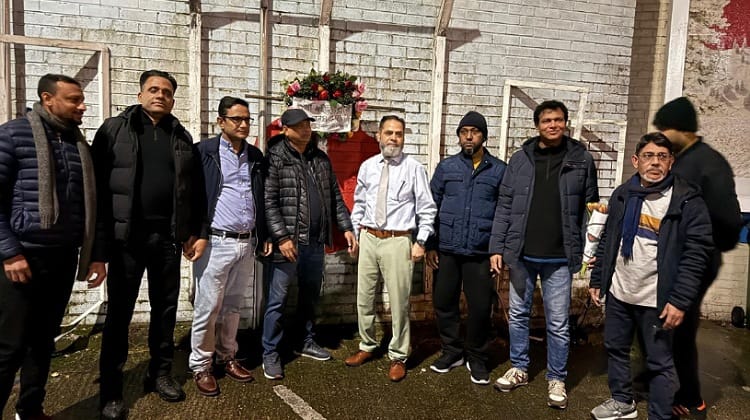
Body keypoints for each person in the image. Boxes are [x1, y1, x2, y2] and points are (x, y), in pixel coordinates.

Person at [92, 70, 206, 419]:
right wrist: (97, 251)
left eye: (167, 92)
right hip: (126, 241)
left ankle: (160, 373)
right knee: (119, 315)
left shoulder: (181, 136)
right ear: (140, 94)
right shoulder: (114, 130)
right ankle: (111, 390)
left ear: (173, 99)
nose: (160, 95)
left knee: (165, 312)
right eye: (153, 89)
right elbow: (96, 192)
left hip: (167, 240)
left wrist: (196, 232)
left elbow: (195, 191)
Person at [0, 74, 104, 420]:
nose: (82, 106)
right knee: (9, 346)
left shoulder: (78, 143)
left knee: (43, 341)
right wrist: (10, 253)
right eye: (74, 99)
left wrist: (94, 255)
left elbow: (91, 206)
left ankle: (30, 410)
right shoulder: (13, 135)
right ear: (48, 99)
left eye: (81, 99)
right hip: (22, 258)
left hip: (62, 257)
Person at [589, 133, 713, 420]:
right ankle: (622, 401)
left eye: (662, 156)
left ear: (671, 162)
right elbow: (609, 239)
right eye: (648, 156)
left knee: (659, 363)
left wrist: (679, 301)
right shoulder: (624, 194)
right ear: (636, 160)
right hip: (620, 292)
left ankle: (659, 415)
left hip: (656, 299)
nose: (655, 162)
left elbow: (697, 255)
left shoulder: (686, 201)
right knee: (616, 348)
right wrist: (598, 279)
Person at [489, 100, 598, 408]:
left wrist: (591, 249)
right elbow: (505, 205)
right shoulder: (520, 159)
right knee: (518, 315)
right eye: (547, 120)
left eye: (558, 120)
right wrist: (497, 247)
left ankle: (557, 377)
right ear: (537, 125)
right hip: (522, 254)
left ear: (566, 123)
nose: (553, 125)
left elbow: (592, 209)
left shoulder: (581, 159)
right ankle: (519, 368)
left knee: (558, 322)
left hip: (560, 257)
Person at [652, 97, 743, 418]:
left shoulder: (708, 164)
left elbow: (729, 220)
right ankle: (662, 380)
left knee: (680, 326)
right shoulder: (683, 159)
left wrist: (705, 247)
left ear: (683, 129)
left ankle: (691, 398)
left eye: (665, 128)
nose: (661, 134)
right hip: (676, 257)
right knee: (666, 321)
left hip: (696, 259)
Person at [262, 108, 358, 380]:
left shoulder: (320, 159)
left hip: (315, 243)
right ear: (285, 130)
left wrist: (346, 227)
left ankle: (305, 341)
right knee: (277, 300)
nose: (306, 129)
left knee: (310, 296)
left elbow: (335, 197)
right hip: (288, 244)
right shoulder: (275, 157)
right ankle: (270, 352)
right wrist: (281, 237)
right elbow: (268, 201)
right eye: (299, 125)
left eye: (307, 124)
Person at [189, 97, 272, 397]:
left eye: (247, 119)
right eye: (237, 119)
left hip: (246, 242)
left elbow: (260, 197)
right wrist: (195, 233)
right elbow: (191, 196)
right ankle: (201, 365)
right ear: (221, 122)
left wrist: (263, 234)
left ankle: (227, 356)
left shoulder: (255, 155)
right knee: (208, 307)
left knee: (234, 306)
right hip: (216, 242)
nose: (243, 124)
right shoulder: (204, 152)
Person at [345, 115, 437, 382]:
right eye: (389, 133)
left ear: (403, 137)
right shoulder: (368, 167)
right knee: (364, 297)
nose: (393, 138)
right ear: (379, 135)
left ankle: (398, 355)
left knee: (398, 301)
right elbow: (359, 203)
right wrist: (356, 234)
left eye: (398, 134)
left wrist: (421, 241)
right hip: (369, 237)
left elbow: (427, 208)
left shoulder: (414, 168)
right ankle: (367, 345)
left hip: (398, 240)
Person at [425, 111, 506, 385]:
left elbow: (503, 212)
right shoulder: (447, 168)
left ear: (484, 136)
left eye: (475, 131)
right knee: (444, 302)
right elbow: (430, 206)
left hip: (480, 253)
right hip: (447, 249)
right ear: (459, 136)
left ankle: (477, 357)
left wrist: (497, 249)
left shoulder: (499, 170)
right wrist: (430, 244)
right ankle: (452, 352)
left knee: (481, 307)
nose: (469, 136)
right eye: (464, 132)